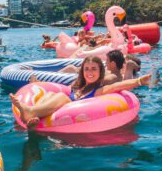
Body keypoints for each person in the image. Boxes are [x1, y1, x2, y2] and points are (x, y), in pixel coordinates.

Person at [10, 56, 154, 131]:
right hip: (55, 107)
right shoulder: (78, 87)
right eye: (87, 69)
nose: (90, 72)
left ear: (100, 72)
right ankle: (31, 116)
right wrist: (35, 85)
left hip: (69, 113)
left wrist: (140, 81)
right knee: (51, 95)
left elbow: (117, 85)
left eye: (93, 69)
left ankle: (30, 112)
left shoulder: (98, 90)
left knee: (61, 97)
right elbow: (58, 89)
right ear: (82, 71)